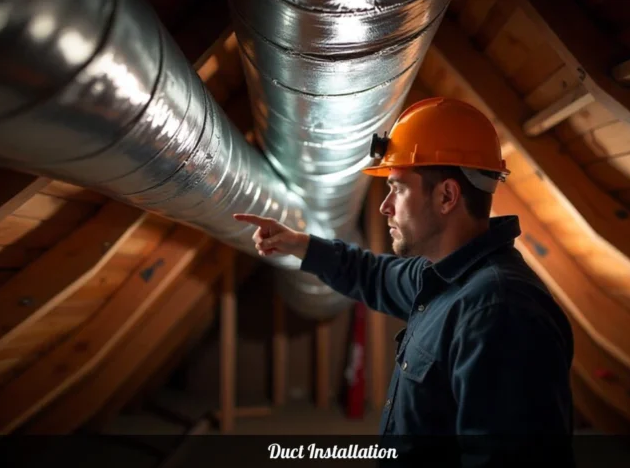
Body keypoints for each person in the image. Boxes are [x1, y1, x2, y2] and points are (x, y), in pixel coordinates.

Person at [234, 97, 575, 466]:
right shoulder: (439, 275)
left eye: (398, 188)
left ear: (447, 196)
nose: (385, 206)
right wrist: (301, 244)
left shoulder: (498, 311)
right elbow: (371, 274)